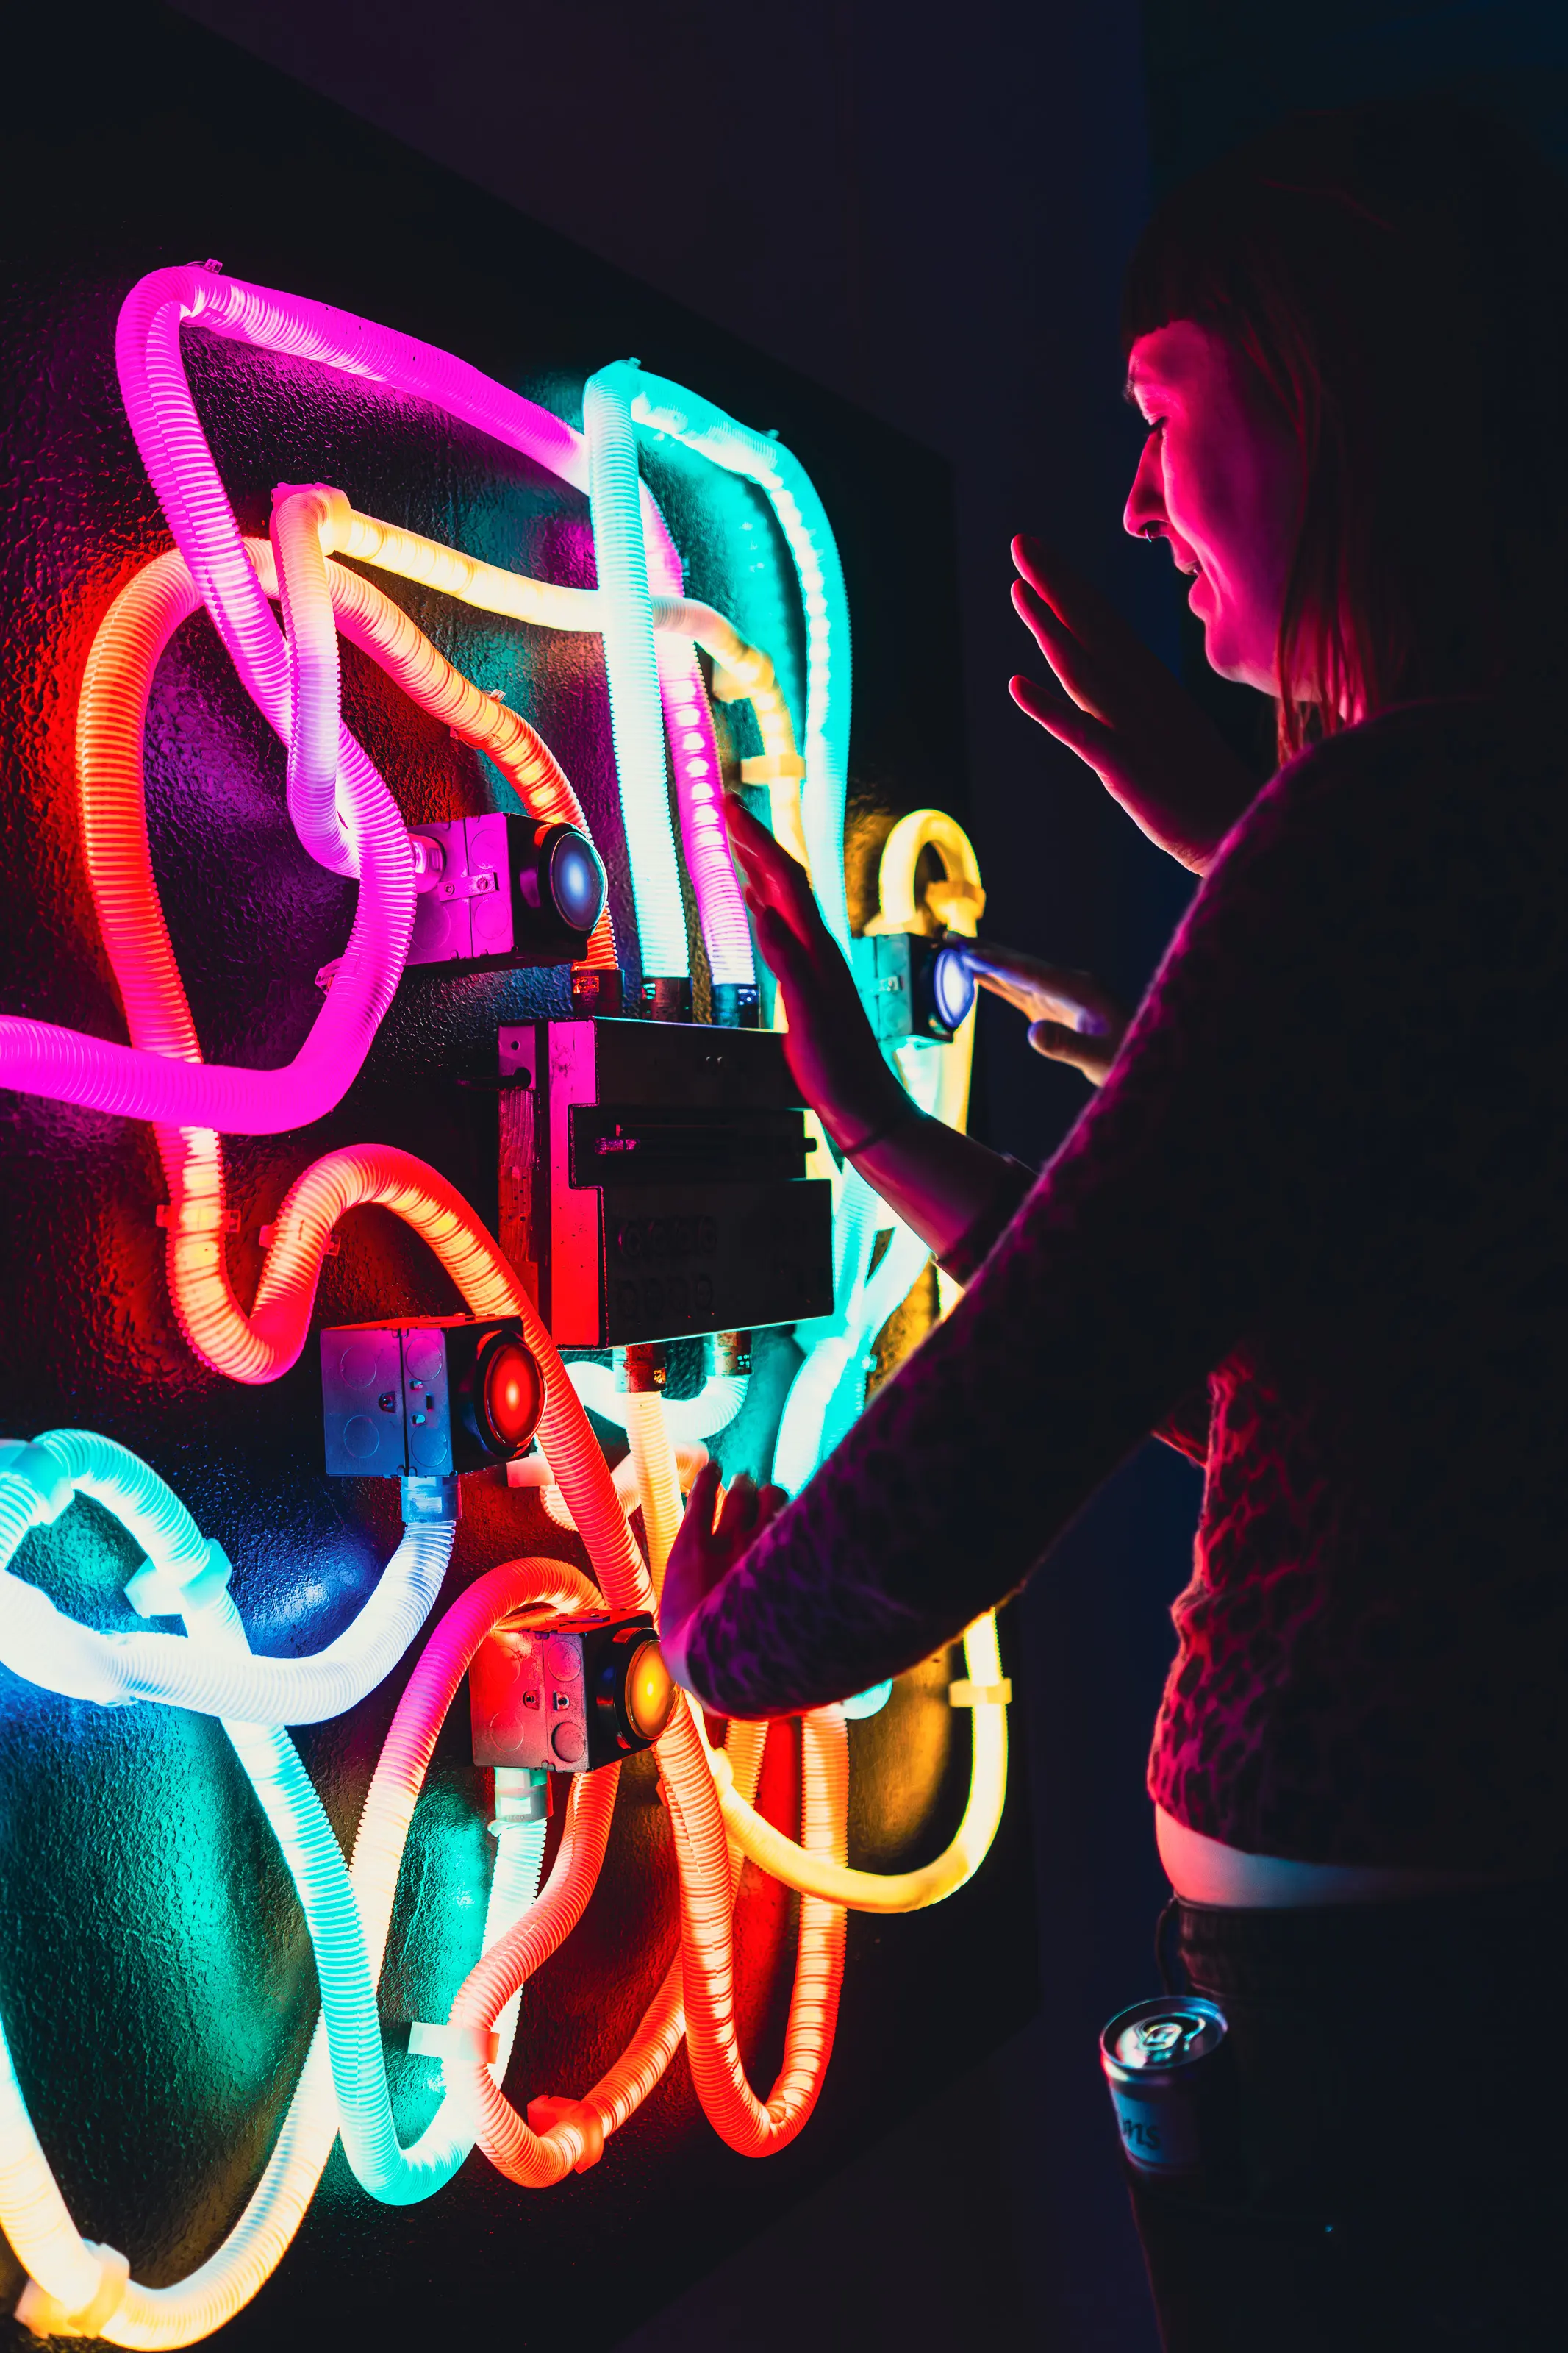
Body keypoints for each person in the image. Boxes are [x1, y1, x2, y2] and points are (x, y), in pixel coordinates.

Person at [660, 101, 1568, 2351]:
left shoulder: (1384, 828)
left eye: (1167, 411)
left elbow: (1058, 1370)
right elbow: (1273, 1389)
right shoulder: (1450, 807)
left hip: (1382, 2025)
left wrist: (726, 1638)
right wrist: (876, 1128)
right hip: (1437, 1975)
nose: (1140, 501)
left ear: (1324, 390)